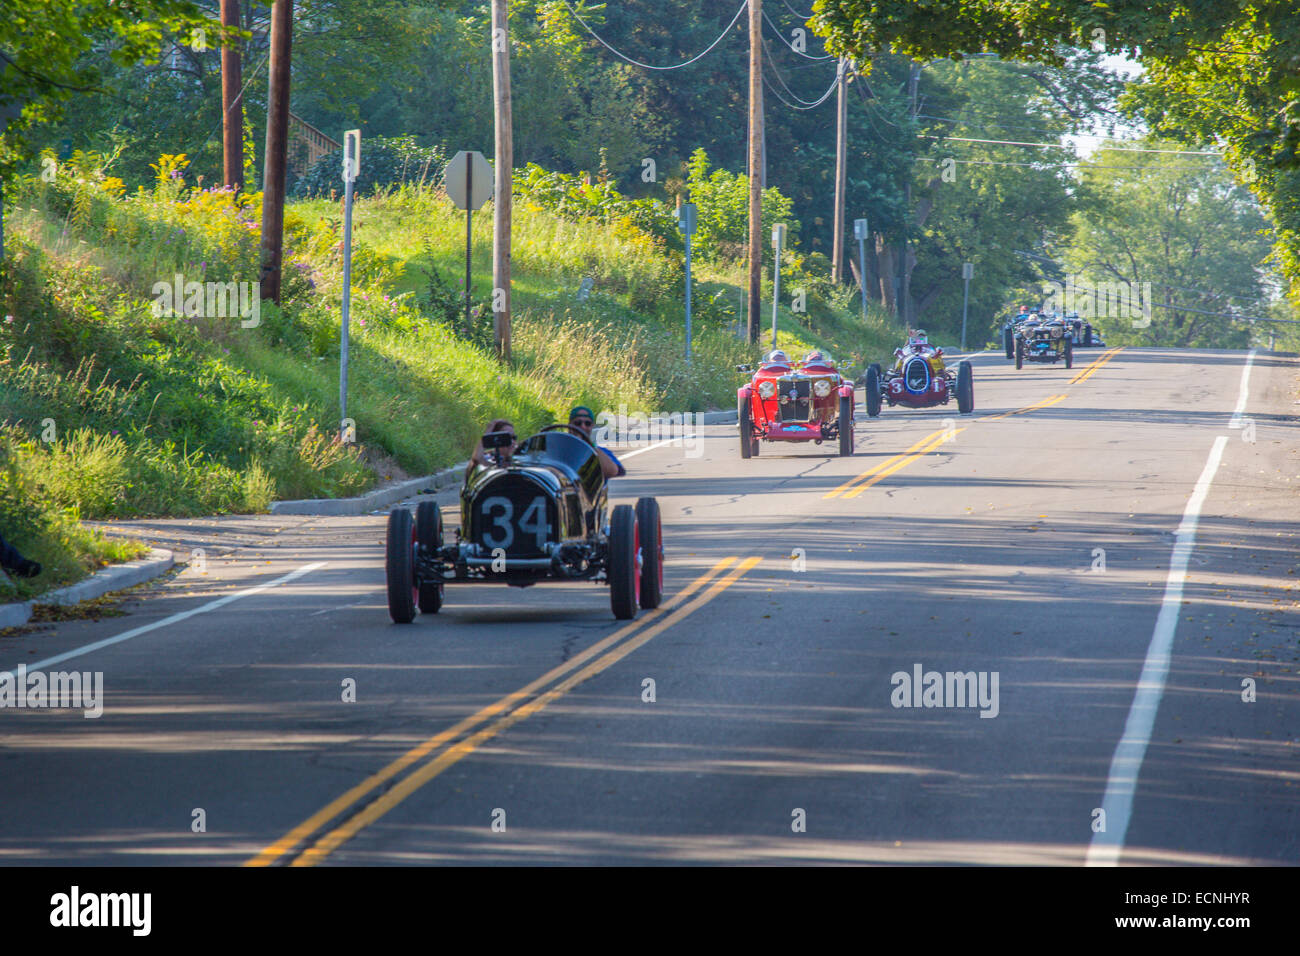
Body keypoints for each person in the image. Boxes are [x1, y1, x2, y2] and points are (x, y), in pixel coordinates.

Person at [568, 406, 625, 479]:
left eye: (587, 423)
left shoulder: (601, 451)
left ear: (592, 426)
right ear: (570, 425)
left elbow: (614, 471)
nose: (583, 427)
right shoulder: (559, 447)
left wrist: (589, 446)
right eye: (578, 423)